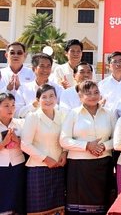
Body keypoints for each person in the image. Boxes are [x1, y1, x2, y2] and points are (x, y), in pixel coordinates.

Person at [60, 80, 115, 214]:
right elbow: (64, 140)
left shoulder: (109, 113)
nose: (93, 96)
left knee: (102, 203)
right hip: (78, 166)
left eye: (96, 92)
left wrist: (103, 147)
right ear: (80, 96)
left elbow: (116, 139)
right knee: (78, 205)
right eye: (88, 93)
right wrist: (87, 146)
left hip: (103, 164)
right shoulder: (73, 113)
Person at [21, 84, 67, 215]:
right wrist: (45, 159)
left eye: (52, 96)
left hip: (59, 167)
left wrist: (64, 152)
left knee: (58, 209)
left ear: (56, 98)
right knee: (39, 210)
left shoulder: (62, 115)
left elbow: (66, 137)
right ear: (38, 100)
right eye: (44, 97)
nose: (48, 100)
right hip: (38, 168)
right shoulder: (33, 117)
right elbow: (25, 144)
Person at [0, 93, 25, 214]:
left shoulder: (21, 123)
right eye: (6, 105)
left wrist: (17, 140)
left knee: (18, 200)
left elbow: (29, 146)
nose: (11, 109)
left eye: (13, 105)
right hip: (1, 167)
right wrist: (3, 143)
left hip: (18, 166)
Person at [18, 53, 64, 118]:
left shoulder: (58, 89)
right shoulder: (23, 89)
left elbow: (63, 111)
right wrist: (33, 105)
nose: (45, 70)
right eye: (42, 66)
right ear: (34, 69)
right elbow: (17, 113)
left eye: (48, 66)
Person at [0, 41, 35, 117]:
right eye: (12, 53)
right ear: (6, 55)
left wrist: (21, 89)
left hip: (25, 117)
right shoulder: (1, 73)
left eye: (19, 53)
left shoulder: (32, 74)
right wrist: (7, 89)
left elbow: (35, 97)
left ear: (25, 55)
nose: (16, 55)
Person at [98, 51, 121, 118]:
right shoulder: (102, 84)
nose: (118, 64)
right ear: (109, 66)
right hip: (108, 120)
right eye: (114, 62)